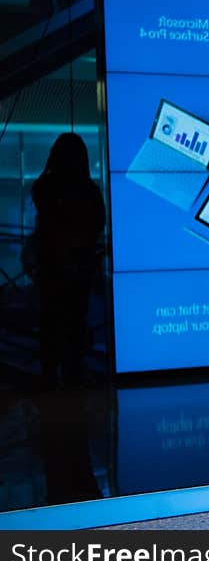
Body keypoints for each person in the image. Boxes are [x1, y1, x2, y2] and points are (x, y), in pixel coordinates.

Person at [30, 132, 106, 386]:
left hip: (51, 268)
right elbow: (98, 224)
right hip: (79, 268)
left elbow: (42, 202)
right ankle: (72, 372)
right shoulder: (89, 191)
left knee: (50, 320)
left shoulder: (46, 187)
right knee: (75, 320)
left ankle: (50, 373)